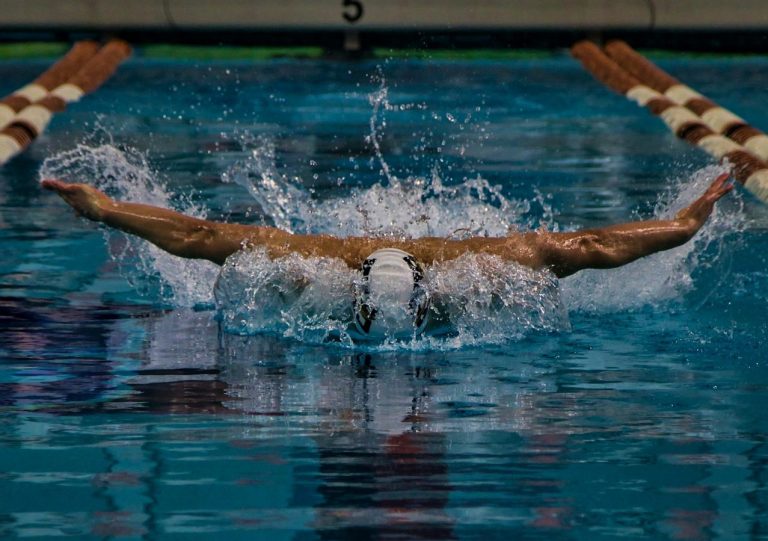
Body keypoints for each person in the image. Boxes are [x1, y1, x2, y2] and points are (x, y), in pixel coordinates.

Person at [42, 174, 733, 338]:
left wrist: (682, 225)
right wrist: (104, 209)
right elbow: (197, 236)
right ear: (360, 292)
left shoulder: (485, 260)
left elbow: (588, 245)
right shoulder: (318, 259)